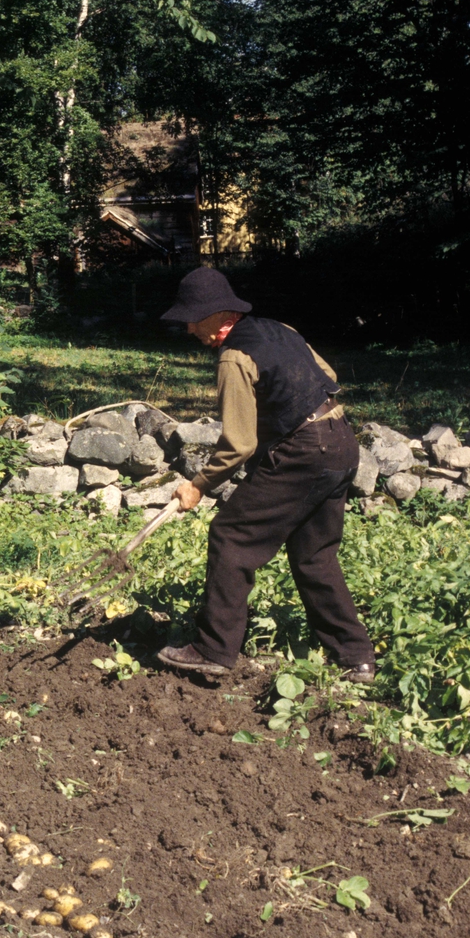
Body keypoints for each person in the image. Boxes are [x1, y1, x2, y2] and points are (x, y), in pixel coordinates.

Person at [156, 267, 375, 682]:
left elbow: (239, 444)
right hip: (342, 440)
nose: (188, 327)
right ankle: (357, 657)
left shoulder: (234, 357)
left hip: (304, 454)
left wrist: (198, 486)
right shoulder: (281, 329)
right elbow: (327, 377)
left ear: (220, 315)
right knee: (315, 556)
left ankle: (213, 649)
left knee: (231, 536)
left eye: (192, 317)